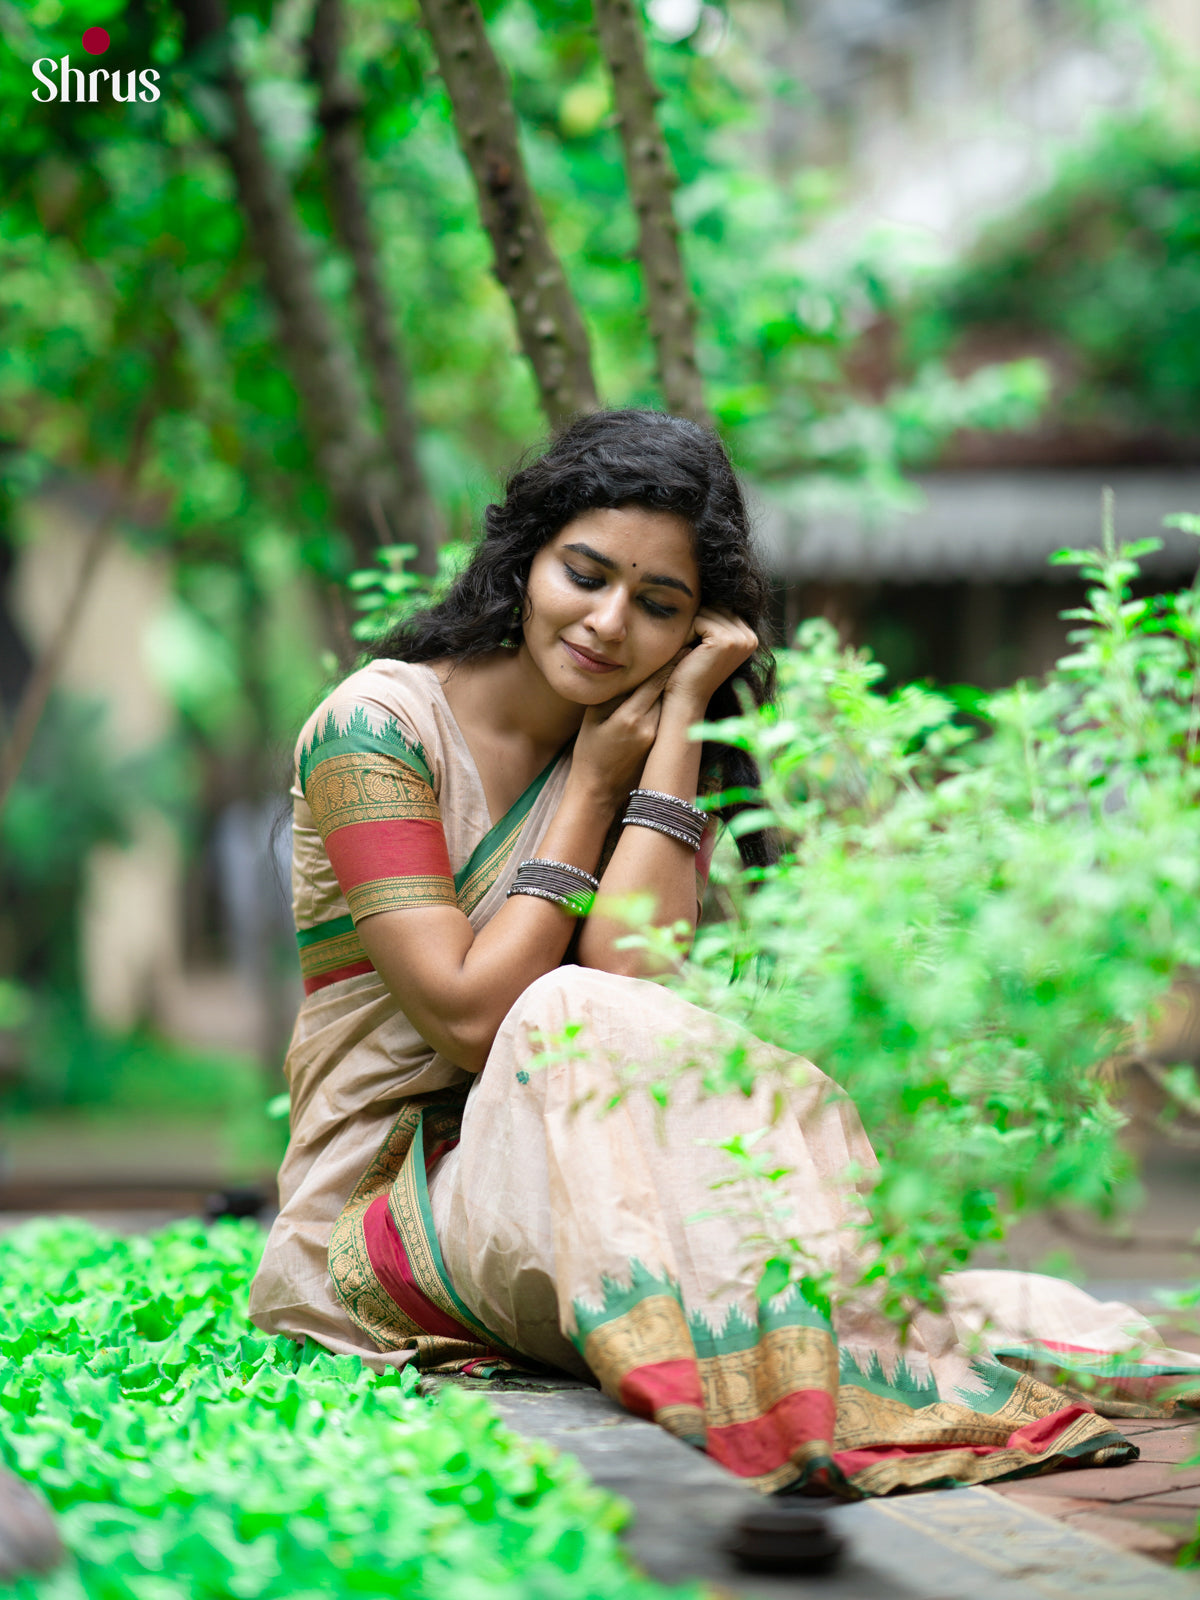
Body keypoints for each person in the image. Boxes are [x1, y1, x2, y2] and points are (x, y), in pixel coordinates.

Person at [251, 409, 1199, 1496]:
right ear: (524, 561)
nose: (609, 624)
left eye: (659, 607)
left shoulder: (630, 726)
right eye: (586, 574)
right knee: (580, 1026)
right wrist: (598, 786)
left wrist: (682, 720)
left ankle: (817, 1343)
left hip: (569, 1185)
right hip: (380, 1214)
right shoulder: (373, 730)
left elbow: (636, 984)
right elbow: (475, 1018)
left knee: (765, 1103)